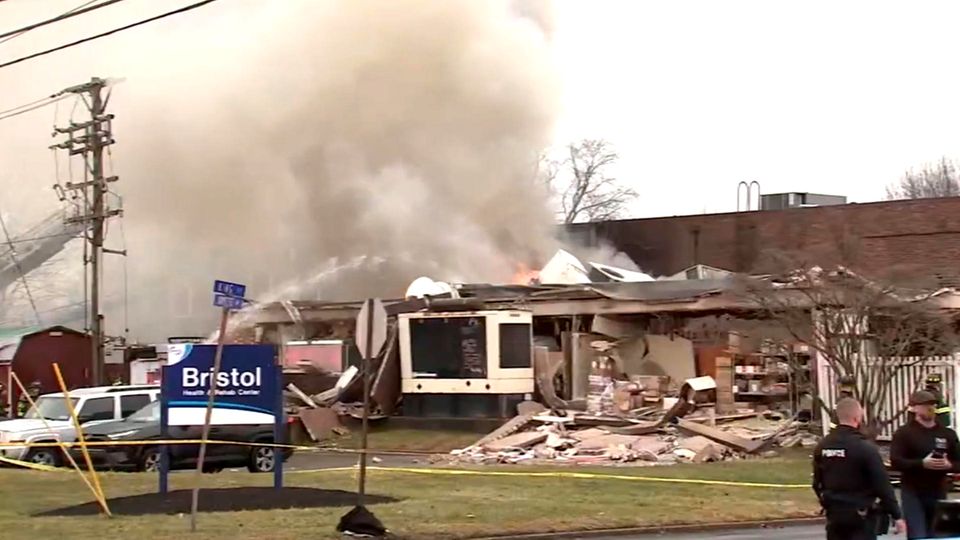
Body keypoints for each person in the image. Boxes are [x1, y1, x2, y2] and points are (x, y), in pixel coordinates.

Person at [813, 397, 905, 540]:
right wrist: (896, 515)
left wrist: (826, 501)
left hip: (835, 514)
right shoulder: (865, 448)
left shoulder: (823, 446)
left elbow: (817, 482)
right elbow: (882, 484)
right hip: (860, 515)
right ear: (857, 418)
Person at [891, 389, 960, 539]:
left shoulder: (947, 434)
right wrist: (922, 463)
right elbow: (896, 462)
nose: (930, 408)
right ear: (914, 408)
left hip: (938, 491)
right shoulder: (904, 433)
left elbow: (958, 462)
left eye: (932, 404)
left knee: (939, 534)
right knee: (918, 534)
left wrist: (949, 465)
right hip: (913, 492)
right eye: (925, 404)